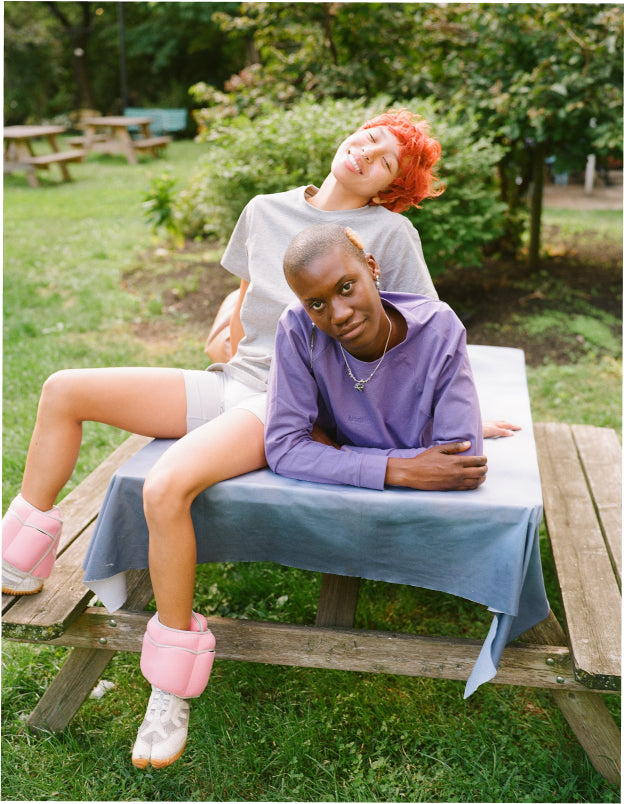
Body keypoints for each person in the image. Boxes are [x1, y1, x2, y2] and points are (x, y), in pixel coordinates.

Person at [2, 109, 513, 771]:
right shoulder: (266, 208)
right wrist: (226, 319)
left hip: (287, 401)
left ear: (393, 186)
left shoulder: (390, 232)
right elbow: (246, 287)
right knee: (64, 389)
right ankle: (18, 563)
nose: (366, 150)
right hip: (233, 379)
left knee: (165, 488)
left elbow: (422, 326)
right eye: (369, 136)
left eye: (386, 157)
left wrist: (463, 413)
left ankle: (170, 681)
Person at [265, 223, 486, 491]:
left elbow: (462, 462)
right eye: (317, 304)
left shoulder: (438, 328)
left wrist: (334, 454)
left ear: (371, 268)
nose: (340, 314)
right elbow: (285, 449)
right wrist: (397, 470)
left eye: (346, 287)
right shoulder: (298, 327)